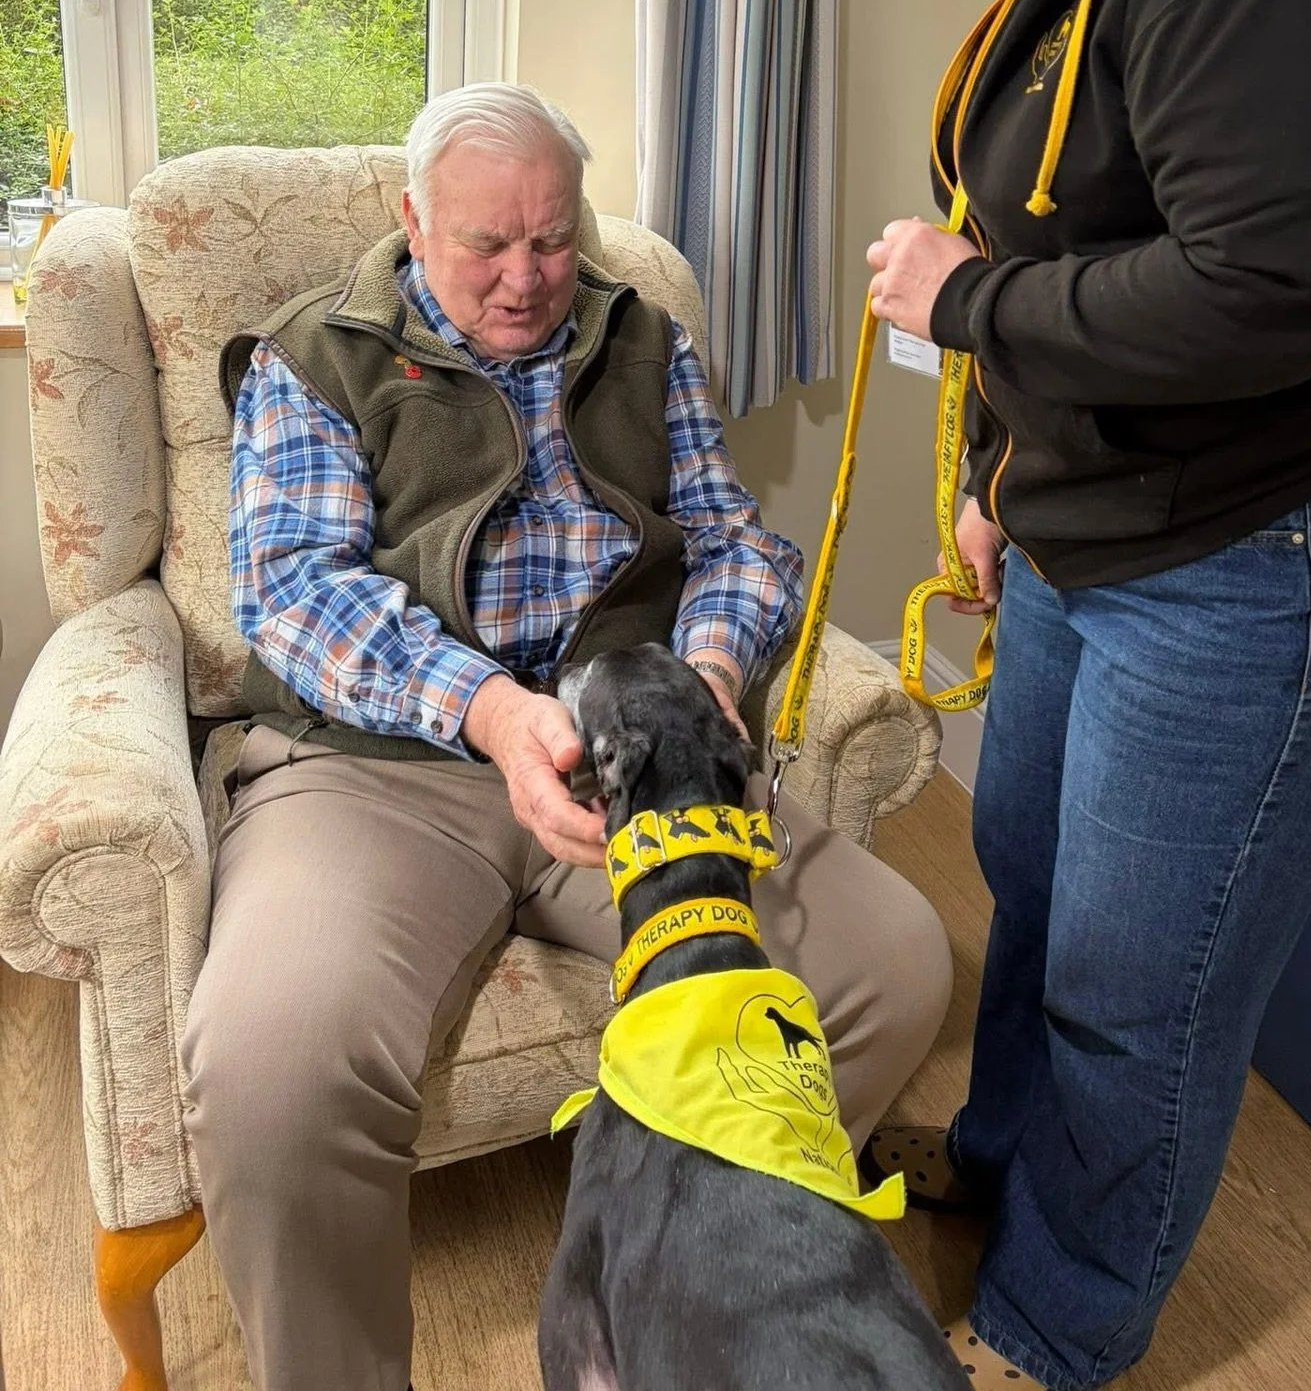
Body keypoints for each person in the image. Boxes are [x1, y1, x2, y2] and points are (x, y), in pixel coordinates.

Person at [820, 0, 1311, 1391]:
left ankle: (1053, 1330)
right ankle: (1003, 1166)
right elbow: (1087, 212)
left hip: (1268, 548)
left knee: (1134, 989)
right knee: (1031, 878)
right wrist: (1007, 475)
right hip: (1106, 525)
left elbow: (1276, 277)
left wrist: (972, 302)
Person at [181, 83, 952, 1391]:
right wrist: (489, 708)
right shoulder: (317, 356)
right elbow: (293, 590)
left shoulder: (642, 333)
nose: (531, 276)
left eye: (554, 238)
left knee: (889, 966)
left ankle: (685, 1279)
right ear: (411, 221)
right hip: (384, 769)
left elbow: (729, 541)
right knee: (272, 1077)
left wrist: (712, 660)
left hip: (631, 744)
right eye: (489, 244)